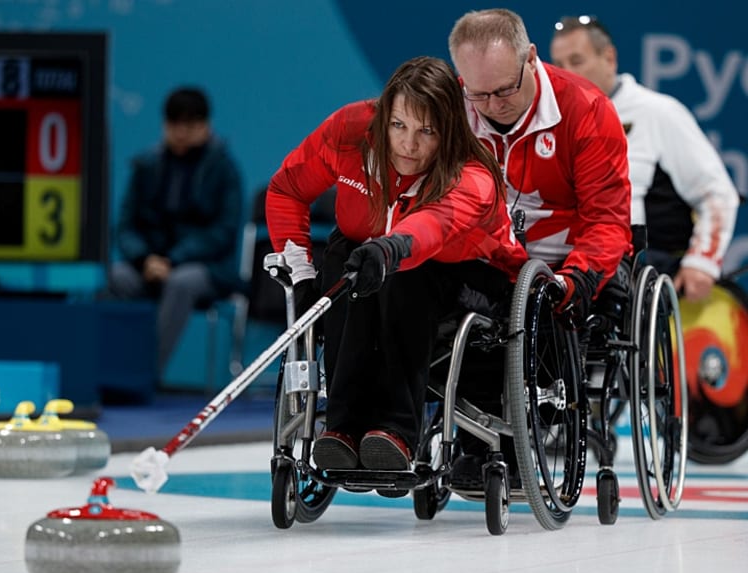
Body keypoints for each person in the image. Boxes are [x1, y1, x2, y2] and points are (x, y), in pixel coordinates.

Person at [264, 56, 528, 489]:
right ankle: (342, 428)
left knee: (405, 271)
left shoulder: (472, 173)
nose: (409, 144)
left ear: (448, 133)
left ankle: (397, 432)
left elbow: (434, 226)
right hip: (379, 260)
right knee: (341, 257)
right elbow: (287, 188)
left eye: (427, 131)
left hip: (473, 276)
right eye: (399, 126)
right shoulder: (351, 132)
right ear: (383, 119)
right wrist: (302, 274)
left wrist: (390, 250)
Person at [447, 8, 632, 488]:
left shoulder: (587, 109)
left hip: (565, 259)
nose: (494, 104)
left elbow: (607, 219)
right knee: (455, 310)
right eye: (480, 93)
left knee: (541, 312)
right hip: (489, 255)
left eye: (505, 89)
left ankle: (518, 444)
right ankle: (471, 442)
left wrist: (581, 276)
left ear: (531, 59)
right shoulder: (454, 111)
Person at [550, 16, 740, 302]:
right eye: (559, 65)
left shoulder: (658, 113)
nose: (567, 74)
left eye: (577, 61)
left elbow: (717, 194)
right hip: (572, 268)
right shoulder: (552, 120)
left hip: (637, 273)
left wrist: (702, 262)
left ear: (609, 58)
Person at [108, 86, 244, 376]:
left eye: (191, 124)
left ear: (206, 126)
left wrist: (173, 259)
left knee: (182, 282)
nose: (182, 132)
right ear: (164, 125)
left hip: (206, 269)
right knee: (117, 276)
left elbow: (223, 231)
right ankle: (112, 368)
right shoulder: (146, 165)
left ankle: (143, 374)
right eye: (175, 124)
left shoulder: (223, 168)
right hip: (149, 264)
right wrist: (145, 258)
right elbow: (125, 225)